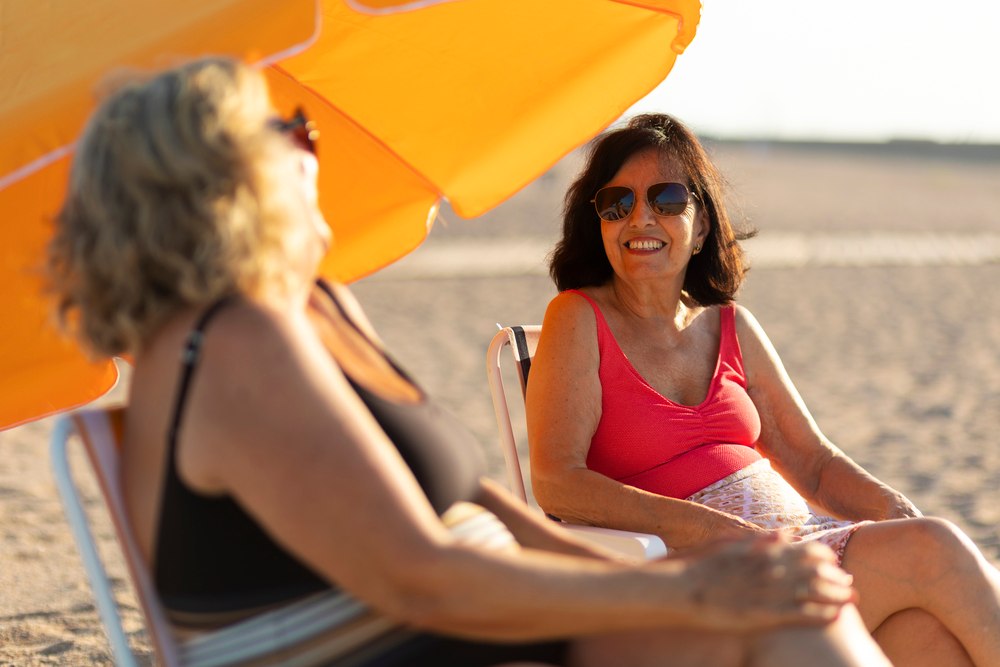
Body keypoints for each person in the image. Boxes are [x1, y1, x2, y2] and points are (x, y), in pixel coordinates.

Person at [46, 57, 893, 667]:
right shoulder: (236, 346)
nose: (314, 144)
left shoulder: (311, 307)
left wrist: (671, 574)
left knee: (797, 615)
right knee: (786, 626)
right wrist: (689, 593)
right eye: (289, 129)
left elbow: (479, 499)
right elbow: (423, 578)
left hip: (474, 617)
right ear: (227, 185)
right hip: (412, 634)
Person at [525, 112, 1000, 667]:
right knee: (935, 549)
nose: (640, 217)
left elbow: (816, 464)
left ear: (701, 225)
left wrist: (896, 509)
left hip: (801, 540)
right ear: (600, 223)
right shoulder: (577, 318)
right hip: (712, 571)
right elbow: (558, 481)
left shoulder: (730, 326)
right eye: (618, 203)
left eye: (667, 198)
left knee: (929, 637)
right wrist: (708, 529)